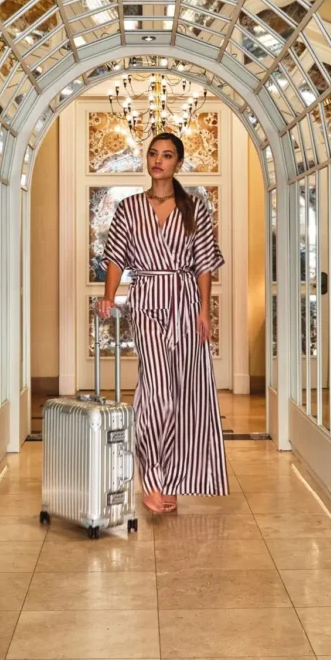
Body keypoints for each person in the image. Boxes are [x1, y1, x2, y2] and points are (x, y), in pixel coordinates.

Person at [96, 133, 228, 514]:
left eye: (167, 155)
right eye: (153, 154)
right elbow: (116, 258)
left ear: (178, 163)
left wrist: (204, 310)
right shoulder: (129, 208)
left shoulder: (194, 208)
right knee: (157, 392)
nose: (158, 160)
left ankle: (171, 475)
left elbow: (204, 263)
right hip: (149, 300)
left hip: (186, 302)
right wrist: (109, 295)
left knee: (184, 394)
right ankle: (150, 477)